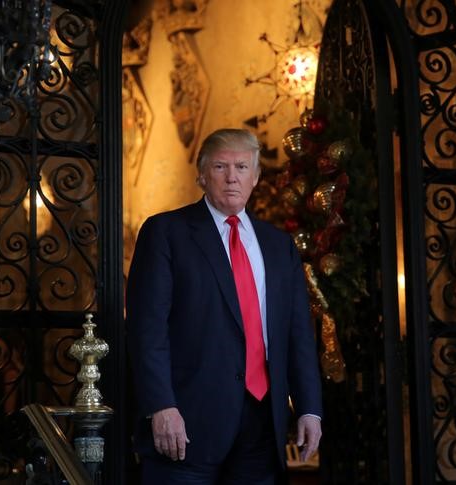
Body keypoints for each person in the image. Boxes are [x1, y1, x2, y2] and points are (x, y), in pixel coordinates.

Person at [126, 128, 323, 484]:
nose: (232, 176)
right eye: (220, 166)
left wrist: (309, 408)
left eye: (242, 167)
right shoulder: (166, 232)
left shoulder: (280, 246)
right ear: (202, 175)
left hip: (263, 425)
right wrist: (161, 405)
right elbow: (147, 329)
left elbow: (298, 334)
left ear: (257, 176)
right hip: (185, 423)